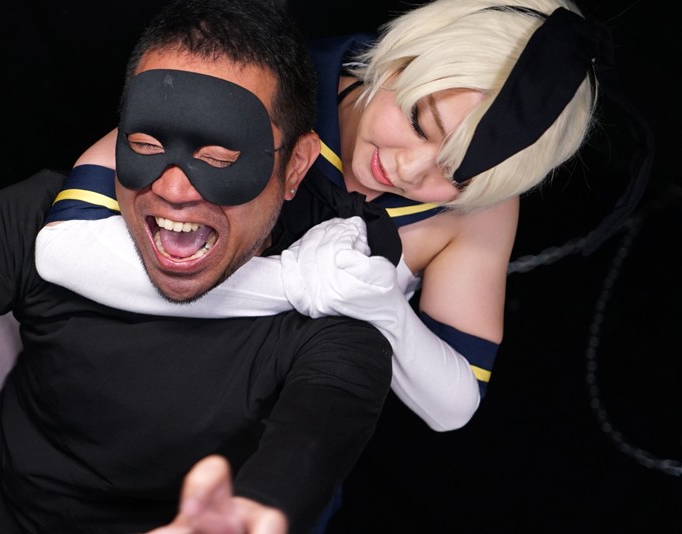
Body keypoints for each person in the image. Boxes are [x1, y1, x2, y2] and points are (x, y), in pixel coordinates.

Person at [0, 0, 395, 532]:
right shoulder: (36, 219)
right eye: (146, 145)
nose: (173, 189)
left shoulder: (334, 320)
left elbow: (315, 438)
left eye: (219, 160)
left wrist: (252, 513)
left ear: (296, 167)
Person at [35, 0, 650, 436]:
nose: (409, 170)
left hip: (253, 438)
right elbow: (64, 249)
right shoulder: (273, 81)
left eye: (457, 172)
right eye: (419, 122)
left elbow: (453, 404)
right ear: (402, 59)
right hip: (87, 365)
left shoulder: (479, 210)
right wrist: (297, 284)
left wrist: (384, 310)